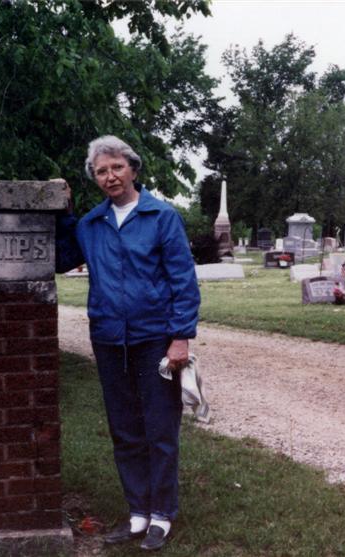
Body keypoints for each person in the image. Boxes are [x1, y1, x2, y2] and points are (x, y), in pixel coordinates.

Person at [55, 135, 200, 551]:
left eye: (116, 167)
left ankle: (162, 515)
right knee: (125, 429)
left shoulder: (161, 217)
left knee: (159, 428)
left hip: (155, 339)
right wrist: (64, 212)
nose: (110, 176)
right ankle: (137, 512)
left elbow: (182, 282)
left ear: (133, 168)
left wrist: (180, 338)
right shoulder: (92, 224)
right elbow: (63, 256)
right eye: (101, 171)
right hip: (108, 339)